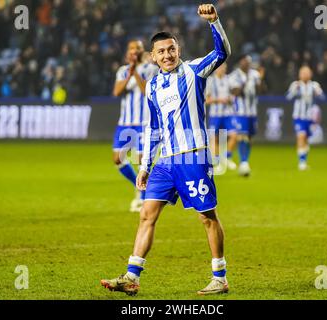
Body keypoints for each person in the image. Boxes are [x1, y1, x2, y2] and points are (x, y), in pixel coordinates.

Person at [101, 4, 231, 296]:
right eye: (161, 52)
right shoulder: (152, 86)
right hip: (165, 162)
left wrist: (215, 22)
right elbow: (154, 128)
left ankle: (220, 277)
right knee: (147, 214)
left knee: (207, 216)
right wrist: (146, 166)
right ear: (153, 57)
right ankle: (132, 276)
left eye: (171, 49)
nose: (167, 55)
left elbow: (222, 53)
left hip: (193, 156)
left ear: (178, 49)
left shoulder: (195, 70)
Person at [112, 39, 158, 212]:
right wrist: (130, 72)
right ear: (127, 52)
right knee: (118, 159)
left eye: (137, 48)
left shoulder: (151, 69)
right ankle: (139, 186)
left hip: (144, 123)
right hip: (124, 123)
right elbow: (117, 92)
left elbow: (147, 91)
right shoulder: (123, 71)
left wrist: (136, 73)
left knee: (142, 161)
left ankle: (145, 198)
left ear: (142, 51)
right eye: (131, 48)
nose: (134, 50)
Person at [229, 55, 262, 176]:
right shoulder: (234, 76)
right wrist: (245, 82)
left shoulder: (255, 74)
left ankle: (245, 160)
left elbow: (260, 91)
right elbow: (235, 92)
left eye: (249, 61)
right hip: (240, 112)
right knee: (242, 135)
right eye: (245, 61)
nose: (247, 63)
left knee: (249, 136)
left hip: (252, 111)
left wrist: (260, 80)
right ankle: (243, 162)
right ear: (240, 62)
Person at [286, 66, 324, 170]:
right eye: (303, 73)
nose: (305, 75)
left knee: (306, 139)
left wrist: (317, 94)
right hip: (299, 116)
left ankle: (304, 159)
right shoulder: (295, 85)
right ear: (299, 74)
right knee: (301, 136)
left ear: (310, 74)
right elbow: (288, 97)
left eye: (307, 73)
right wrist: (295, 91)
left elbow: (322, 97)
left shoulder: (314, 86)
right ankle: (301, 162)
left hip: (310, 117)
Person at [205, 62, 237, 174]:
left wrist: (231, 98)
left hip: (228, 114)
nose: (223, 69)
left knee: (234, 136)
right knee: (215, 139)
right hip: (215, 115)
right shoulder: (210, 81)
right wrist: (219, 100)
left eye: (225, 67)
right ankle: (217, 163)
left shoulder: (229, 80)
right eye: (221, 67)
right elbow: (207, 100)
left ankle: (227, 157)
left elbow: (234, 94)